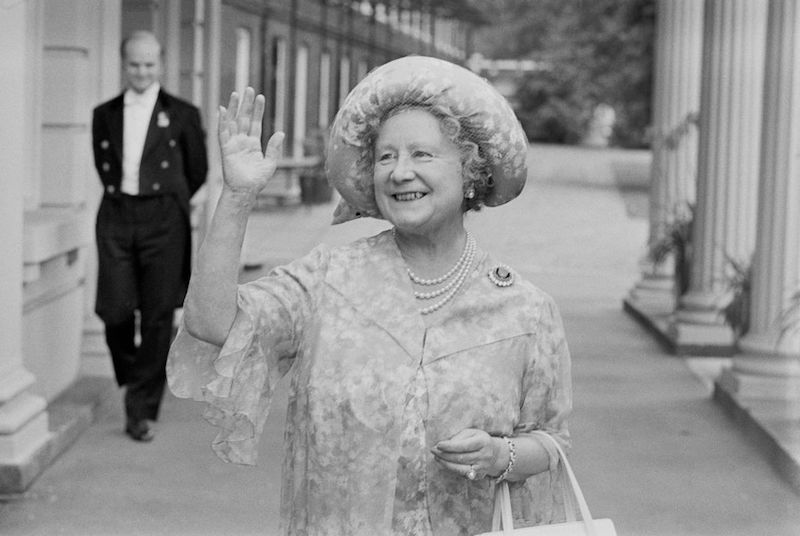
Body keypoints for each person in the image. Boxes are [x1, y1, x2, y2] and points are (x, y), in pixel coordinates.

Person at [167, 56, 571, 535]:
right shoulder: (327, 279)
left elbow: (551, 442)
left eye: (422, 155)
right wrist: (237, 196)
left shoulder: (523, 309)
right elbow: (212, 323)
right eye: (385, 157)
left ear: (470, 171)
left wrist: (498, 455)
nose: (400, 172)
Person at [92, 30, 208, 442]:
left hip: (164, 220)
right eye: (134, 64)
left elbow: (197, 171)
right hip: (117, 216)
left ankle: (138, 406)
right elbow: (103, 166)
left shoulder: (182, 114)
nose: (141, 72)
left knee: (158, 315)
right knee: (115, 310)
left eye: (149, 64)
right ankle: (135, 375)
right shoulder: (103, 113)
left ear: (161, 64)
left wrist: (168, 204)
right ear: (124, 64)